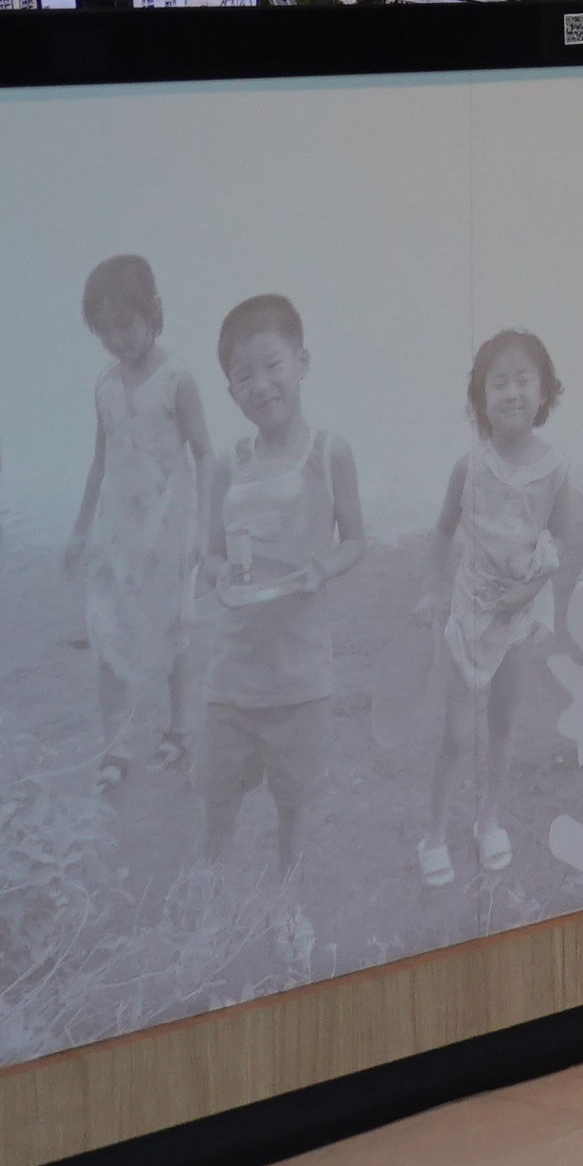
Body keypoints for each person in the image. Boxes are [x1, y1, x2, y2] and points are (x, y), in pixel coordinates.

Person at [415, 329, 583, 888]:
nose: (511, 393)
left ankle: (488, 820)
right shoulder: (469, 469)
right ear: (480, 398)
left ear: (544, 392)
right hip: (473, 608)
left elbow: (562, 536)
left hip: (519, 613)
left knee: (504, 721)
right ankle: (434, 834)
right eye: (498, 383)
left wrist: (533, 586)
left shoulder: (556, 468)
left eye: (523, 380)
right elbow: (443, 531)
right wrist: (430, 590)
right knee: (456, 735)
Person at [198, 294, 365, 878]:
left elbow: (355, 541)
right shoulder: (229, 462)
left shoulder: (329, 452)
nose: (261, 385)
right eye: (243, 376)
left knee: (293, 806)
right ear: (230, 391)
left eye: (273, 366)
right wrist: (220, 574)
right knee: (217, 801)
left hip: (300, 676)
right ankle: (213, 900)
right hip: (233, 673)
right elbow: (210, 554)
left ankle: (285, 903)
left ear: (302, 363)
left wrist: (323, 568)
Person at [65, 253, 210, 787]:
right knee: (107, 630)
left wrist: (203, 528)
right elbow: (99, 461)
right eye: (104, 332)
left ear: (154, 312)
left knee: (171, 631)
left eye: (124, 326)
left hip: (167, 529)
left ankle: (179, 728)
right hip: (116, 533)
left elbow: (204, 454)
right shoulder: (104, 386)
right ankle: (116, 746)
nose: (116, 340)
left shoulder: (176, 381)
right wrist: (80, 529)